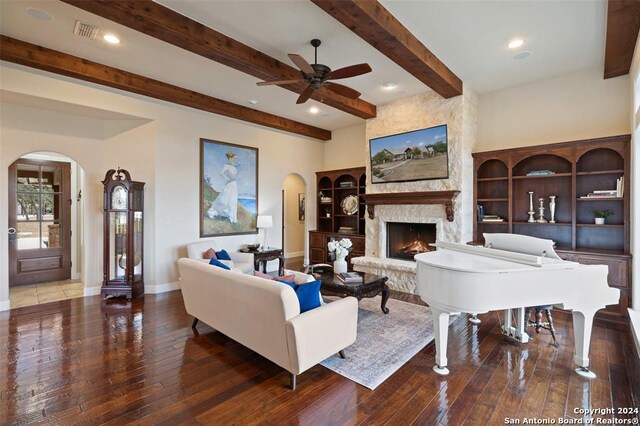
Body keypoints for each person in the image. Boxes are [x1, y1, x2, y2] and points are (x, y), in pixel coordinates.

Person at [207, 151, 238, 223]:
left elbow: (234, 175)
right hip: (230, 183)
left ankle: (231, 216)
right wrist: (227, 178)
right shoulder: (226, 165)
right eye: (233, 158)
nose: (234, 159)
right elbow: (221, 173)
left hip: (234, 184)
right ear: (230, 158)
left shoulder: (233, 166)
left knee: (232, 199)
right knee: (224, 198)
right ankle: (215, 212)